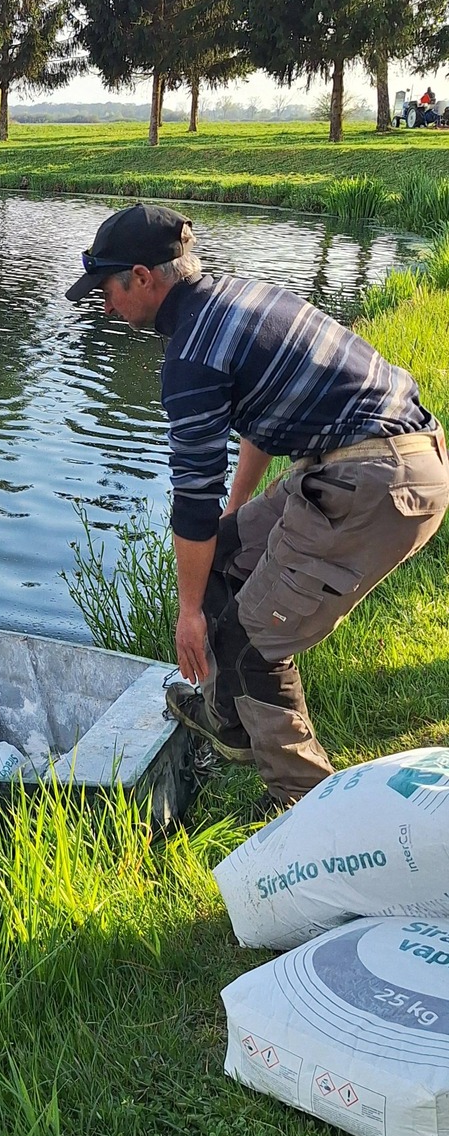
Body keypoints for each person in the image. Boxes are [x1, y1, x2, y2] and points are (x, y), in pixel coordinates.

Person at [65, 204, 449, 806]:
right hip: (393, 458)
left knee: (253, 645)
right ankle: (232, 723)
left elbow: (193, 497)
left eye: (106, 291)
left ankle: (302, 803)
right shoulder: (238, 299)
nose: (105, 307)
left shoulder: (191, 355)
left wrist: (188, 613)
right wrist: (235, 517)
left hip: (371, 480)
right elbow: (264, 423)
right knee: (221, 555)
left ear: (141, 277)